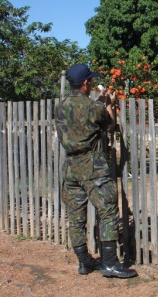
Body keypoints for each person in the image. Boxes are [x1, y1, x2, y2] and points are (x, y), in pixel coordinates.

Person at [55, 63, 136, 278]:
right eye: (90, 80)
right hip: (93, 166)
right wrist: (108, 102)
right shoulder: (94, 108)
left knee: (75, 217)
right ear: (85, 83)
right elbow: (109, 125)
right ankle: (109, 264)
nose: (91, 83)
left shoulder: (60, 106)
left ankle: (84, 262)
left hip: (71, 167)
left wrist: (100, 102)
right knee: (108, 212)